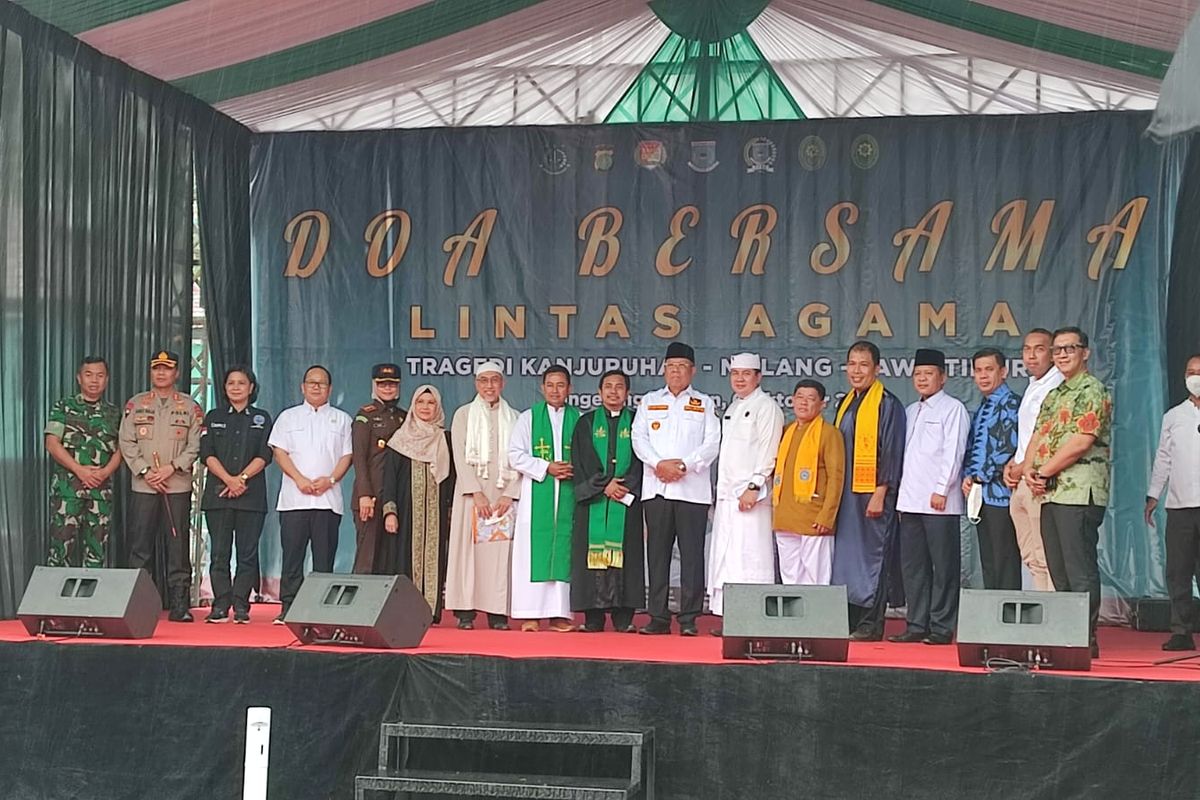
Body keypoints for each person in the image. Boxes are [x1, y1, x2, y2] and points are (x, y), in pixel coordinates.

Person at [1023, 327, 1112, 656]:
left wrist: (1043, 471)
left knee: (1079, 568)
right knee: (1058, 569)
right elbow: (1037, 438)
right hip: (1049, 492)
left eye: (1069, 349)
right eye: (1057, 350)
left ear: (1085, 353)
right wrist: (1030, 471)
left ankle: (1085, 639)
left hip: (1079, 492)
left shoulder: (1093, 389)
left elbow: (1081, 441)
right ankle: (1065, 634)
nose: (1062, 355)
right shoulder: (1054, 394)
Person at [632, 342, 721, 636]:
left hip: (692, 491)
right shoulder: (649, 401)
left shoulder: (704, 403)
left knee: (692, 555)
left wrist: (684, 465)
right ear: (664, 369)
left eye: (683, 367)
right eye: (671, 367)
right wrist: (659, 464)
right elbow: (638, 439)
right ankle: (657, 617)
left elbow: (712, 442)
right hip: (657, 490)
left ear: (692, 371)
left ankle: (688, 619)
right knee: (657, 554)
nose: (677, 372)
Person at [891, 349, 970, 645]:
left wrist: (941, 488)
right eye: (918, 375)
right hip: (910, 502)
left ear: (943, 377)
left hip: (940, 502)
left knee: (943, 566)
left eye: (929, 374)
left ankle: (941, 626)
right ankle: (916, 624)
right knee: (914, 566)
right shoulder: (911, 411)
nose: (923, 379)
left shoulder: (953, 409)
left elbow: (954, 452)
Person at [118, 349, 203, 622]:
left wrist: (172, 467)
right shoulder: (136, 404)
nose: (161, 373)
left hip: (176, 485)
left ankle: (179, 604)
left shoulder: (189, 406)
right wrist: (145, 470)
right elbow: (126, 441)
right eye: (157, 368)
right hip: (144, 486)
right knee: (140, 547)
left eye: (167, 368)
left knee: (178, 547)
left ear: (176, 373)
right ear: (151, 372)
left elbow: (196, 445)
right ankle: (138, 605)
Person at [830, 341, 906, 641]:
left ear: (877, 368)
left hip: (872, 494)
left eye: (863, 364)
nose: (856, 370)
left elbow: (892, 450)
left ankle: (871, 624)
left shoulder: (887, 404)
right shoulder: (846, 402)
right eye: (852, 364)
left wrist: (881, 490)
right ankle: (849, 618)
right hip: (847, 495)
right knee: (847, 557)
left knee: (873, 556)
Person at [267, 365, 353, 623]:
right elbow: (279, 452)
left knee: (324, 559)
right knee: (292, 557)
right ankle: (289, 607)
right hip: (294, 500)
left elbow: (347, 455)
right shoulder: (288, 417)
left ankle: (321, 611)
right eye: (311, 382)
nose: (316, 387)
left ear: (330, 389)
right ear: (302, 387)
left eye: (322, 383)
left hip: (328, 501)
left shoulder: (343, 419)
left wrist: (331, 480)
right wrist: (300, 479)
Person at [708, 353, 784, 634]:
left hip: (752, 497)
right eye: (735, 373)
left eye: (746, 374)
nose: (739, 379)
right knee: (728, 558)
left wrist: (754, 486)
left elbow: (769, 452)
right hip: (729, 498)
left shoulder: (766, 407)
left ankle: (752, 618)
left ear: (758, 377)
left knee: (752, 557)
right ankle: (731, 617)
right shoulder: (734, 407)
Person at [444, 361, 521, 630]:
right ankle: (465, 612)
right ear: (476, 384)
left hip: (502, 497)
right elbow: (459, 456)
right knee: (468, 553)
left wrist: (509, 495)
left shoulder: (516, 417)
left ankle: (497, 612)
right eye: (484, 380)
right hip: (471, 495)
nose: (489, 386)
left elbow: (520, 459)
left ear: (503, 383)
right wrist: (475, 492)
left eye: (495, 380)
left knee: (499, 555)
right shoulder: (464, 415)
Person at [570, 369, 646, 633]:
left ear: (628, 393)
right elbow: (581, 461)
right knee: (591, 555)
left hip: (626, 503)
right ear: (599, 392)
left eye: (620, 387)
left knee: (627, 554)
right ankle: (593, 616)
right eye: (608, 387)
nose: (614, 391)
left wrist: (623, 487)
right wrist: (604, 485)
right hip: (594, 503)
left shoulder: (638, 422)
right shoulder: (587, 423)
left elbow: (642, 460)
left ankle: (623, 617)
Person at [199, 366, 273, 624]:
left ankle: (241, 604)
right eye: (231, 383)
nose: (236, 387)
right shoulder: (213, 416)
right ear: (224, 387)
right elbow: (206, 454)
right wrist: (229, 480)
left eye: (242, 383)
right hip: (218, 495)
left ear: (251, 388)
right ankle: (220, 604)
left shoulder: (262, 418)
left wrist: (241, 479)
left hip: (250, 496)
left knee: (247, 554)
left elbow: (265, 455)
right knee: (219, 553)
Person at [508, 366, 579, 632]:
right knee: (533, 550)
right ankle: (530, 613)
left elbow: (588, 456)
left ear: (569, 389)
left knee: (564, 549)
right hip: (537, 493)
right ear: (542, 387)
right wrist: (546, 467)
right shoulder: (528, 418)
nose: (555, 390)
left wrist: (572, 468)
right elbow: (515, 454)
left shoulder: (579, 419)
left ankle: (560, 613)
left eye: (561, 385)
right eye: (550, 385)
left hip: (568, 494)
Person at [379, 384, 455, 621]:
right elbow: (389, 479)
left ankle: (430, 611)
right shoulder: (400, 440)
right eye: (420, 402)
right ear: (413, 406)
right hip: (407, 511)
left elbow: (452, 477)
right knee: (405, 558)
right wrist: (390, 512)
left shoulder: (444, 438)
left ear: (438, 407)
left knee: (436, 558)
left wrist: (451, 509)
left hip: (437, 512)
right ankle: (408, 612)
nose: (425, 408)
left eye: (430, 403)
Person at [44, 356, 122, 568]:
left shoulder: (115, 413)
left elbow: (122, 450)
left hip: (101, 491)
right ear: (79, 378)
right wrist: (80, 470)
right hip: (68, 490)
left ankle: (90, 601)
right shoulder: (63, 407)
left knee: (96, 554)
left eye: (100, 375)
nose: (94, 380)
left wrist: (104, 473)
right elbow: (52, 443)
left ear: (106, 380)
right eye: (88, 375)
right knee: (59, 552)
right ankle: (55, 601)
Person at [1145, 353, 1200, 651]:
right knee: (1178, 570)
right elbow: (1163, 458)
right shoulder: (1174, 416)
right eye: (1191, 371)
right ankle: (1181, 631)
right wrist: (1153, 494)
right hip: (1179, 506)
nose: (1195, 377)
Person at [1003, 329, 1064, 590]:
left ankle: (1051, 616)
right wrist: (1011, 463)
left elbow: (1047, 436)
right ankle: (1040, 612)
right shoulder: (1033, 385)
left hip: (1040, 479)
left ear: (1051, 353)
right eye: (1026, 349)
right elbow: (1028, 435)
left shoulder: (1057, 385)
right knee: (1030, 555)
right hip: (1021, 479)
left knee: (1045, 553)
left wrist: (1023, 467)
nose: (1031, 355)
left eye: (1039, 349)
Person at [773, 379, 845, 585]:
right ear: (792, 400)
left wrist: (826, 516)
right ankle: (795, 617)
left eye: (811, 399)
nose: (804, 403)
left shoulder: (829, 434)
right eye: (800, 397)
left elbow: (836, 477)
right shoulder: (786, 431)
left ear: (822, 404)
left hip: (815, 519)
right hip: (786, 517)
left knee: (817, 579)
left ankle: (818, 618)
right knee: (790, 578)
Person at [962, 348, 1023, 590]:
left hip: (1003, 495)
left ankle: (1007, 618)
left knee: (1005, 559)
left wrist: (979, 475)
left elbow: (1010, 448)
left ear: (1004, 372)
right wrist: (969, 475)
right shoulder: (983, 407)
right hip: (982, 496)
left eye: (989, 369)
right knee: (989, 559)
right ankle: (993, 616)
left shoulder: (1012, 404)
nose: (983, 376)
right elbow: (974, 448)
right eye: (978, 370)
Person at [350, 363, 407, 574]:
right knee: (367, 557)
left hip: (395, 497)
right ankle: (359, 606)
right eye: (383, 384)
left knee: (390, 558)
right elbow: (359, 457)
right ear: (375, 385)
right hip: (371, 496)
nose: (388, 389)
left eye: (392, 384)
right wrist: (364, 494)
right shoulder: (366, 415)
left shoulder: (404, 417)